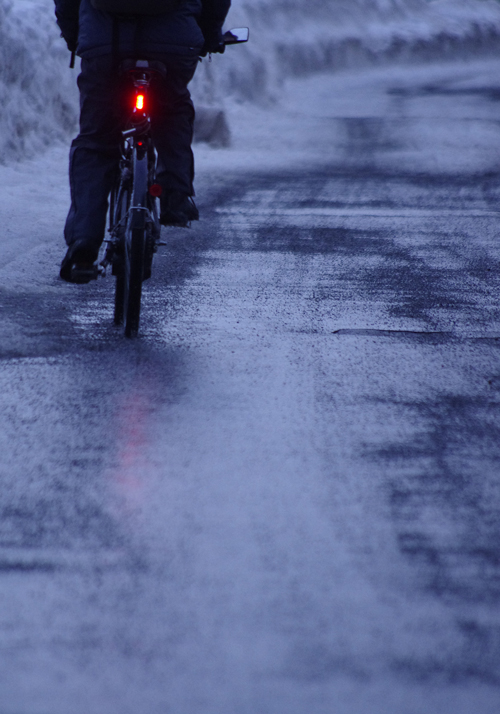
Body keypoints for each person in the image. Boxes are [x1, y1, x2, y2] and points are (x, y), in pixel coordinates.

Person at [54, 0, 231, 282]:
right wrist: (210, 34)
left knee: (96, 140)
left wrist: (75, 34)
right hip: (173, 44)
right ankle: (175, 196)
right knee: (172, 110)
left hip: (104, 43)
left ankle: (83, 240)